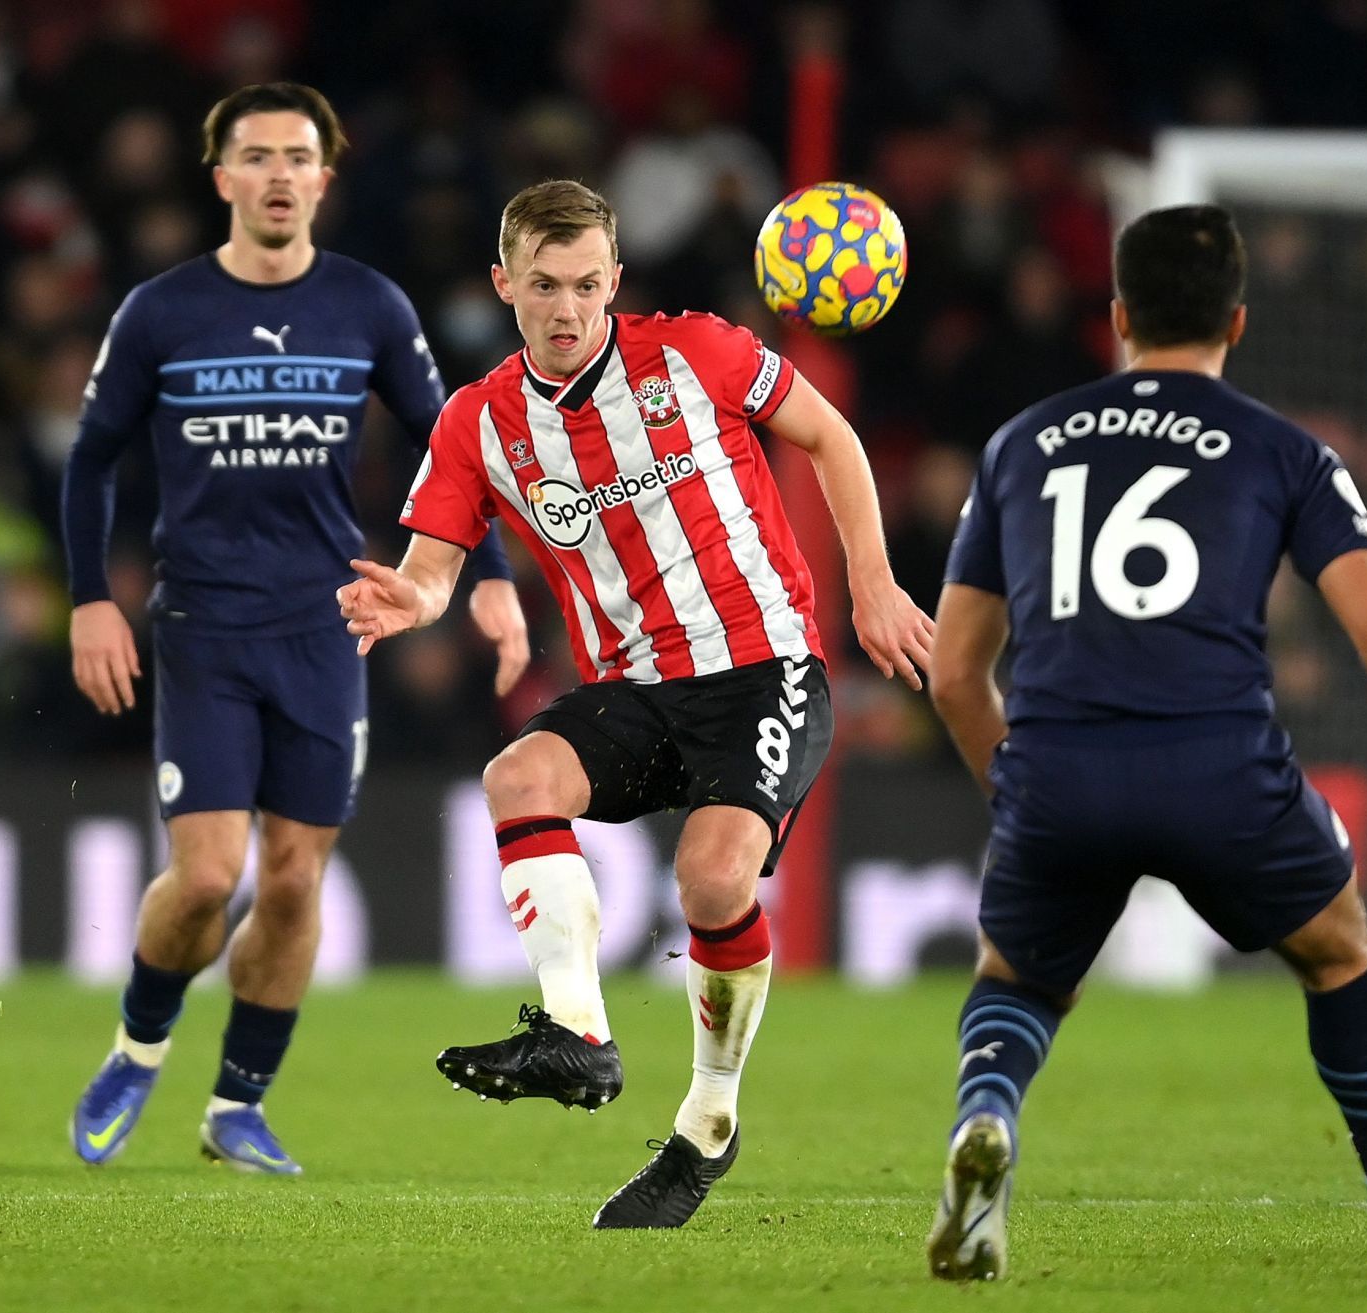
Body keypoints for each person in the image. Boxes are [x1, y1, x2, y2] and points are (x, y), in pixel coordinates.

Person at [923, 204, 1367, 1281]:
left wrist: (1016, 784)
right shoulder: (1285, 451)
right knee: (1337, 949)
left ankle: (985, 1121)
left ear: (1117, 315)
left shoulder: (1019, 443)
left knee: (1021, 979)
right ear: (1239, 320)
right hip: (1218, 765)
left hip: (1060, 760)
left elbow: (951, 670)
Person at [336, 180, 932, 1227]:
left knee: (711, 882)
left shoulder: (697, 352)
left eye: (585, 286)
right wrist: (410, 598)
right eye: (543, 286)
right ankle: (581, 1034)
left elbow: (832, 437)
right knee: (516, 776)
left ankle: (708, 1121)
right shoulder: (479, 422)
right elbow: (433, 567)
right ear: (503, 285)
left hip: (764, 669)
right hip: (633, 687)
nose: (566, 309)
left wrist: (873, 584)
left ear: (616, 282)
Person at [62, 83, 530, 1175]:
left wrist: (492, 575)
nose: (277, 174)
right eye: (255, 156)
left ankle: (236, 1106)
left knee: (290, 880)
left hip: (328, 626)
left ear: (326, 176)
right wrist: (92, 596)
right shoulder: (162, 311)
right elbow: (91, 457)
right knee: (208, 872)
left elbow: (453, 446)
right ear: (220, 176)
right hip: (205, 624)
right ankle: (138, 1045)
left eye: (297, 157)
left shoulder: (367, 305)